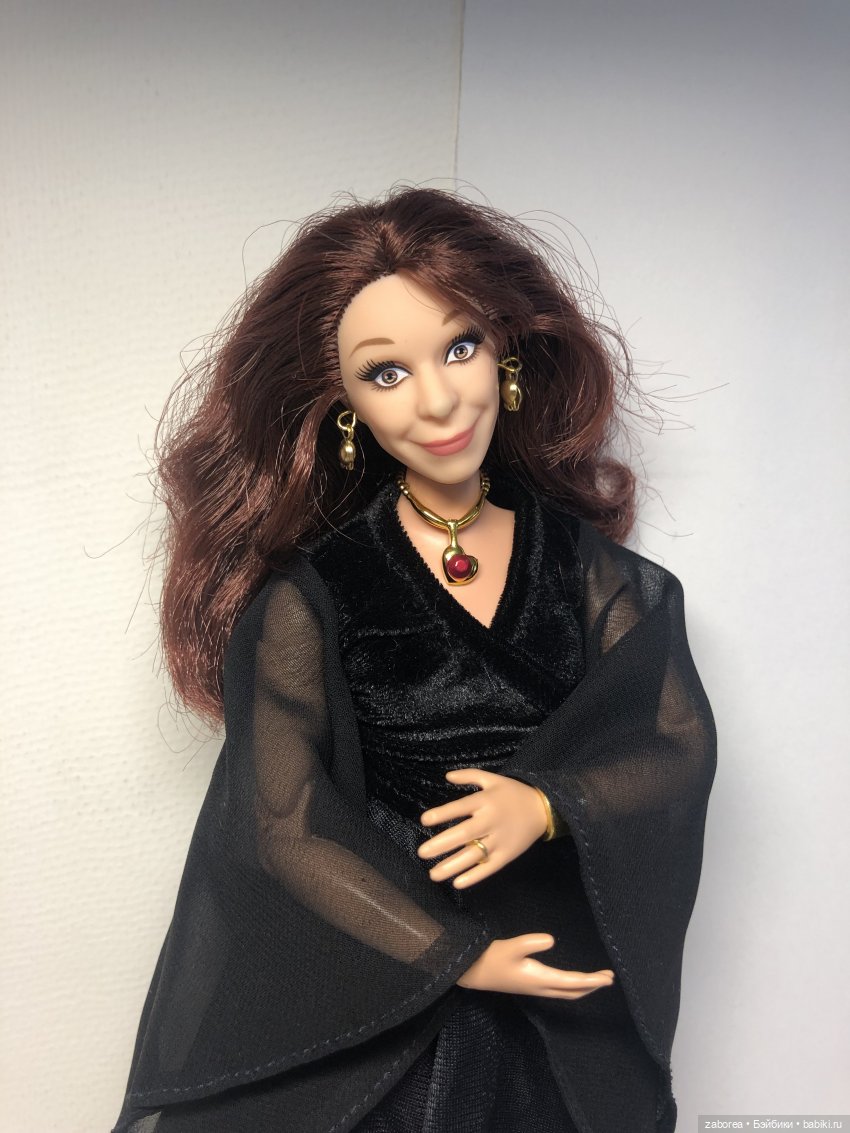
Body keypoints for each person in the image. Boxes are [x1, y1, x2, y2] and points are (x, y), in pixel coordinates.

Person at [111, 187, 716, 1133]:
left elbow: (674, 745)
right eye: (386, 372)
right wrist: (453, 955)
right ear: (343, 406)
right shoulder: (316, 597)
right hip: (386, 979)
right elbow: (283, 822)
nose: (436, 400)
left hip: (547, 977)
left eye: (459, 347)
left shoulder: (595, 576)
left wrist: (551, 804)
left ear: (506, 354)